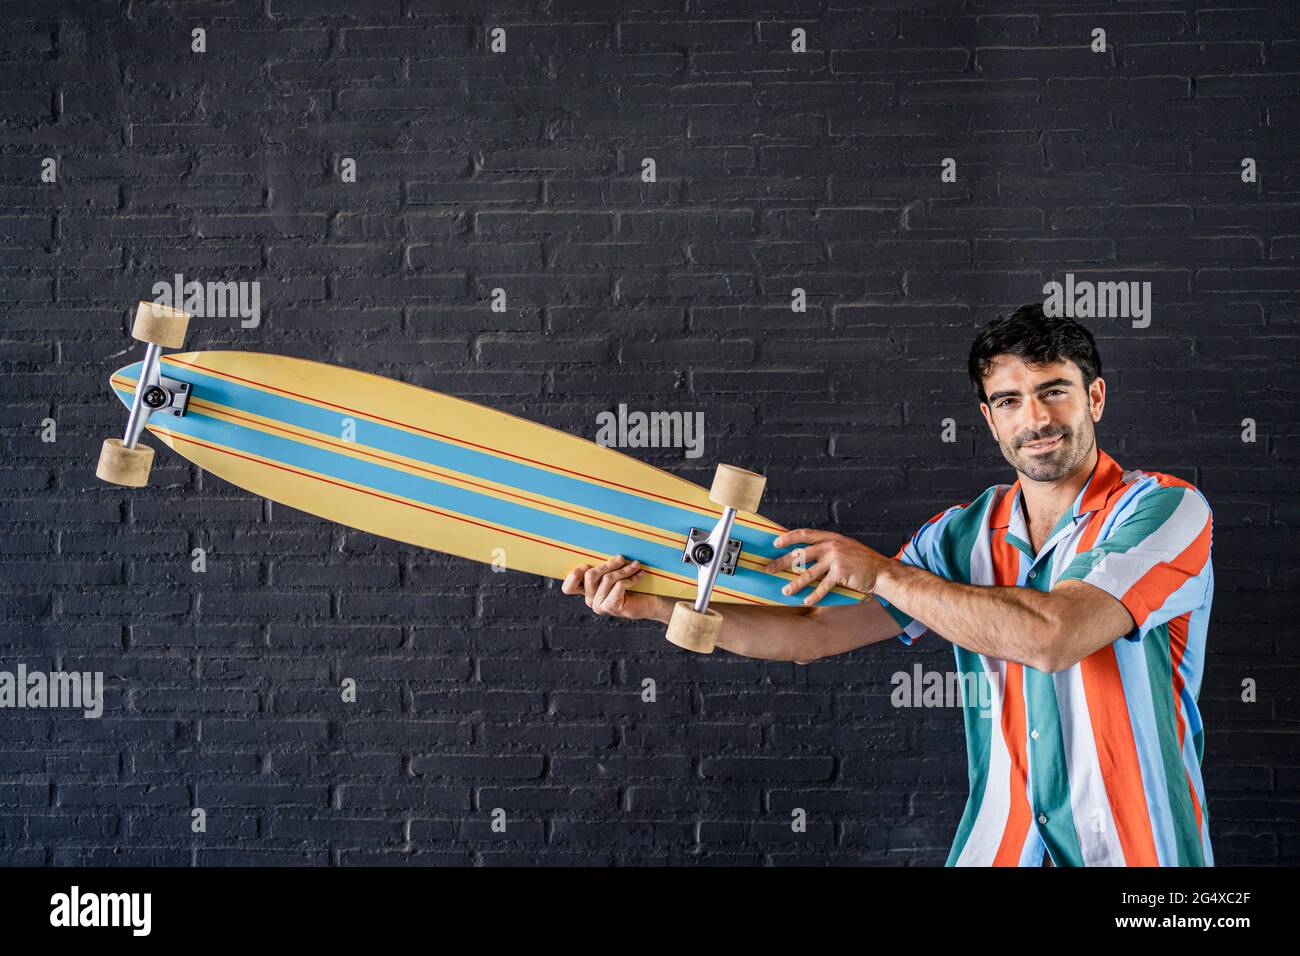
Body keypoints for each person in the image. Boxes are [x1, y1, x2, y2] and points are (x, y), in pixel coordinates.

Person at [562, 303, 1215, 867]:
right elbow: (812, 636)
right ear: (990, 420)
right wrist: (662, 607)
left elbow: (1056, 635)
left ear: (1094, 397)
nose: (1035, 419)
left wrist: (883, 571)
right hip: (999, 846)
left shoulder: (1166, 511)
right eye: (1010, 400)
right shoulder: (960, 535)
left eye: (1054, 391)